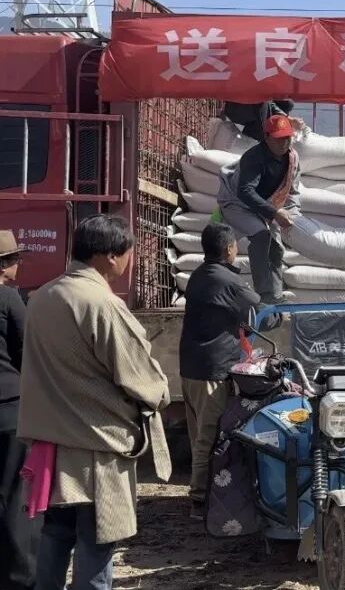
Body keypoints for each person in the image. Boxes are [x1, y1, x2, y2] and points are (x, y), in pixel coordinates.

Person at [17, 214, 172, 590]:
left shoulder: (42, 297)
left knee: (55, 538)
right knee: (96, 547)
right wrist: (161, 394)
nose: (129, 262)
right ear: (110, 256)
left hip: (51, 447)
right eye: (129, 254)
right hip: (96, 448)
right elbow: (143, 379)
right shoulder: (102, 304)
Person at [179, 223, 260, 520]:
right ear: (228, 249)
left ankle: (205, 494)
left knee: (198, 434)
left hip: (190, 367)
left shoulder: (199, 275)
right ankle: (199, 501)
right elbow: (260, 310)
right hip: (212, 371)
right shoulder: (229, 281)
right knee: (209, 438)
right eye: (235, 244)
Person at [217, 114, 301, 313]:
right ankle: (264, 295)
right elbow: (245, 191)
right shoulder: (254, 157)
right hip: (238, 204)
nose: (284, 143)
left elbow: (292, 190)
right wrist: (274, 213)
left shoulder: (292, 159)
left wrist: (293, 214)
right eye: (279, 139)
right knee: (261, 236)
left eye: (287, 138)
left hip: (267, 207)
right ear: (267, 137)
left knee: (277, 247)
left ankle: (276, 296)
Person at [0, 230, 37, 590]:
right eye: (15, 260)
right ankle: (18, 577)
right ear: (3, 265)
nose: (19, 266)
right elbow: (27, 353)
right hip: (9, 410)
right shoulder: (10, 299)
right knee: (14, 495)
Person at [221, 99, 299, 142]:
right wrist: (287, 118)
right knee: (287, 104)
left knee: (288, 104)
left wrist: (286, 118)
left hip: (247, 110)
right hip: (238, 106)